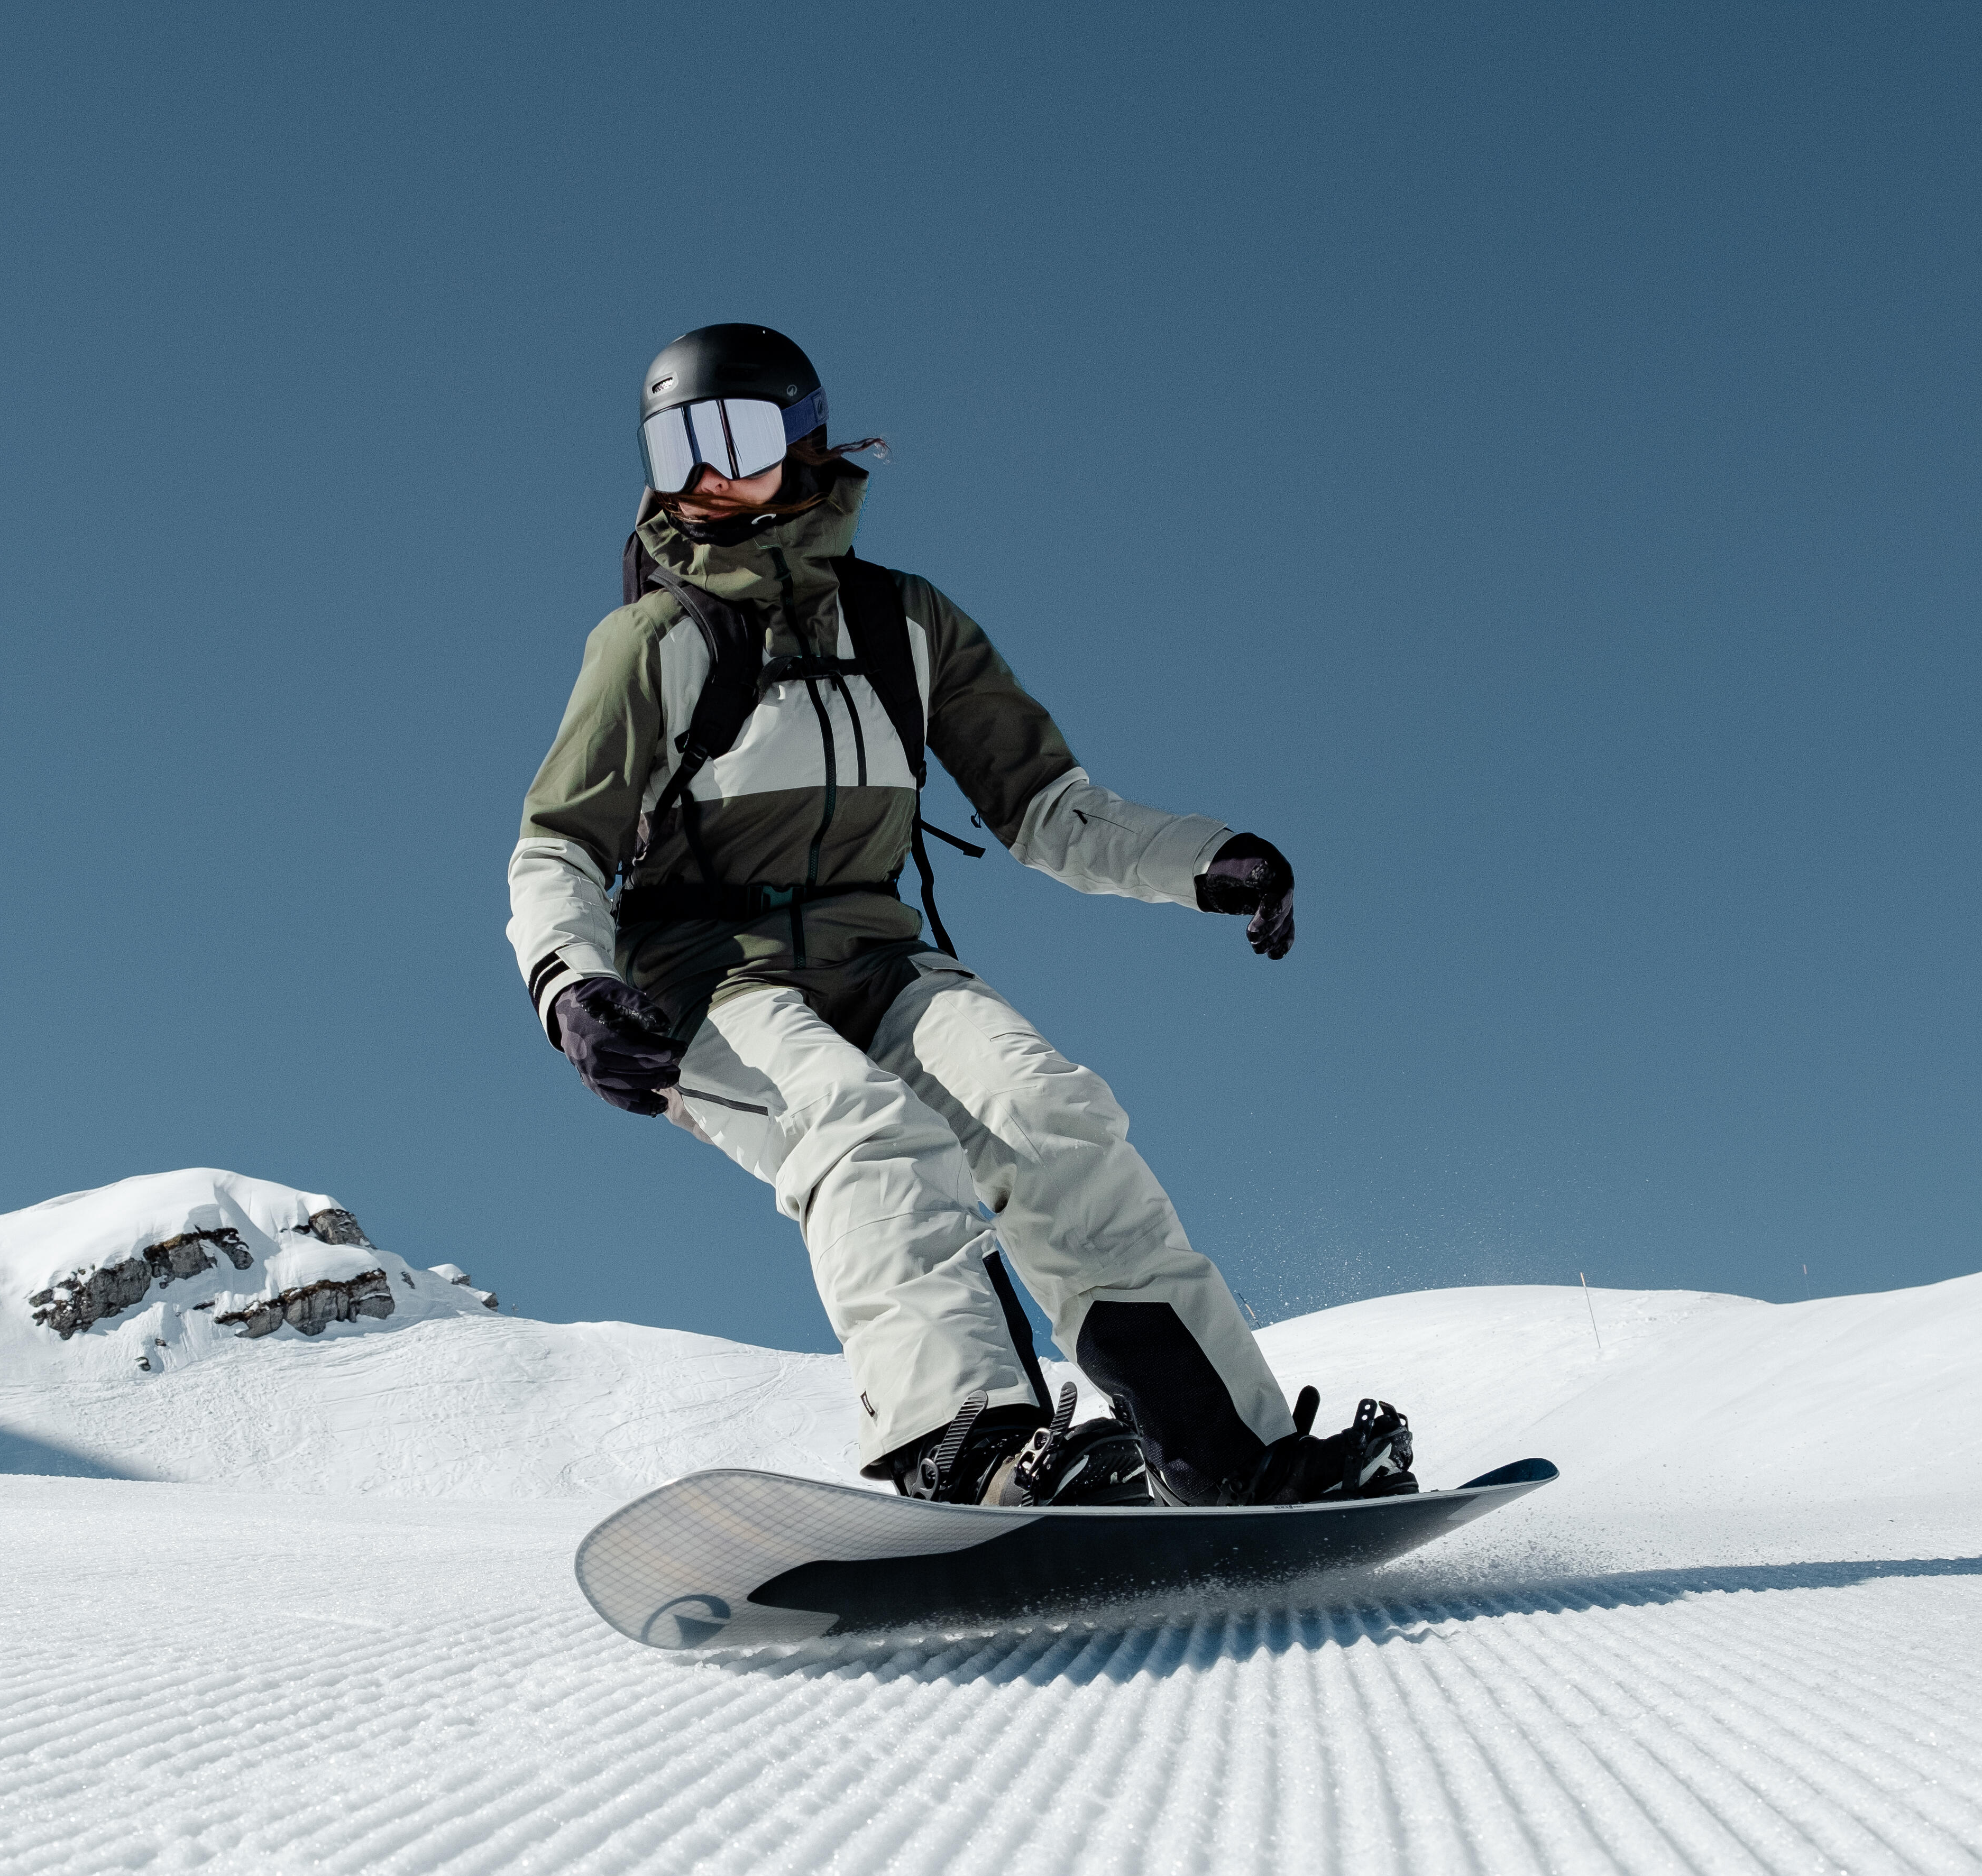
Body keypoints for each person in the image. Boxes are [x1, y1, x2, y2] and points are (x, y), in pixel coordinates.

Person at [506, 323, 1413, 1509]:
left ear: (807, 442)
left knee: (1050, 1118)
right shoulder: (652, 643)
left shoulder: (906, 624)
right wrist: (571, 986)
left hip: (881, 960)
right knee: (863, 1131)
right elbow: (557, 845)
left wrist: (1203, 858)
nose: (706, 476)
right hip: (703, 981)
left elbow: (1048, 809)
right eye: (676, 449)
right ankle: (968, 1448)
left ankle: (1230, 1455)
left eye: (734, 437)